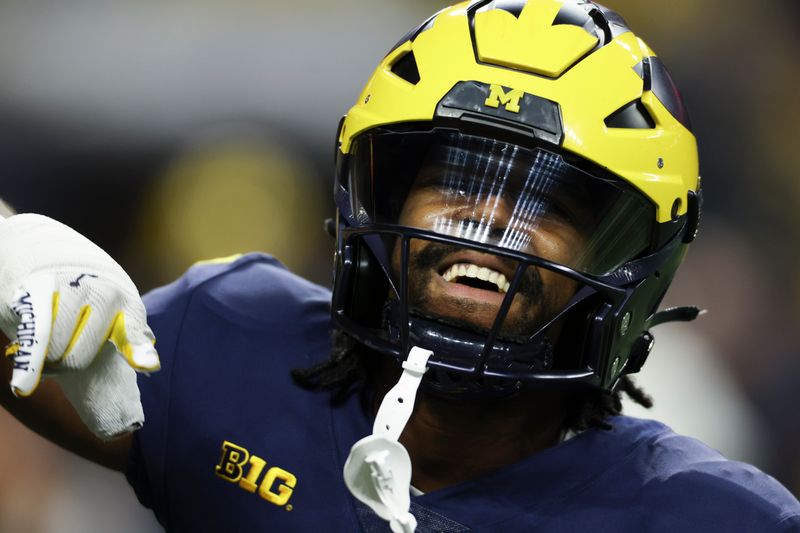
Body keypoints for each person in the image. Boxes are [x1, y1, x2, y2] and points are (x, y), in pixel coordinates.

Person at [1, 1, 799, 531]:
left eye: (550, 207)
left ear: (632, 263)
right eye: (454, 179)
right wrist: (13, 261)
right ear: (378, 195)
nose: (488, 220)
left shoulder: (709, 515)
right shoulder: (228, 342)